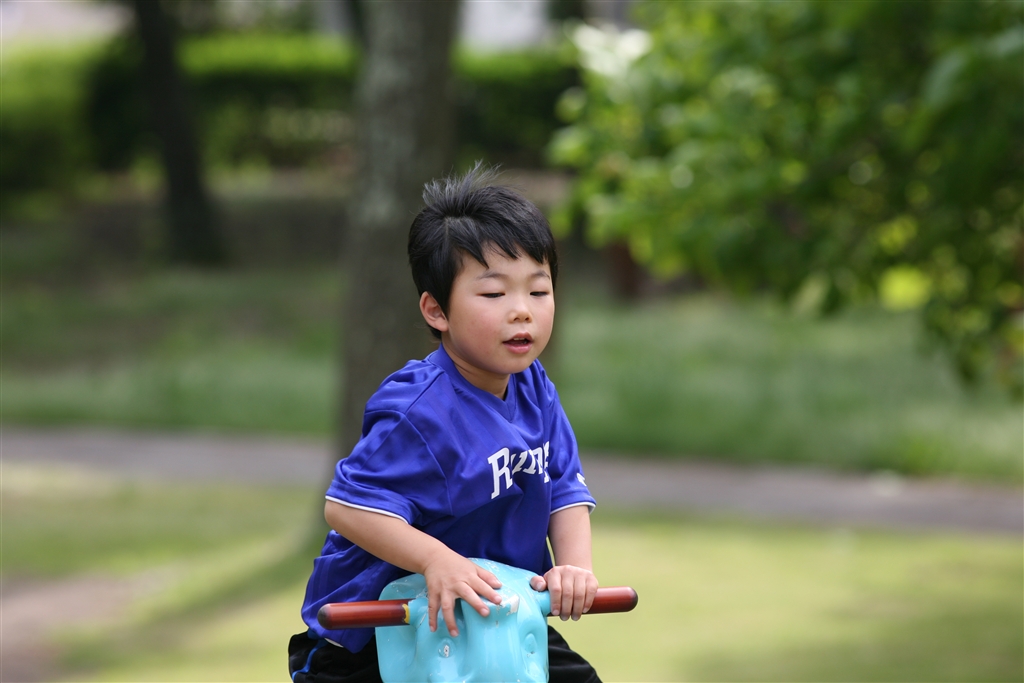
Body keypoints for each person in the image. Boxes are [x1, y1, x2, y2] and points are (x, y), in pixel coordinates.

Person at [289, 166, 601, 682]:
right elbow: (348, 509)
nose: (522, 311)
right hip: (377, 635)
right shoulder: (418, 410)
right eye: (494, 294)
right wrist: (438, 560)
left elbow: (563, 489)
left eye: (538, 291)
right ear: (436, 311)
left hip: (495, 615)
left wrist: (574, 569)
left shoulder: (535, 388)